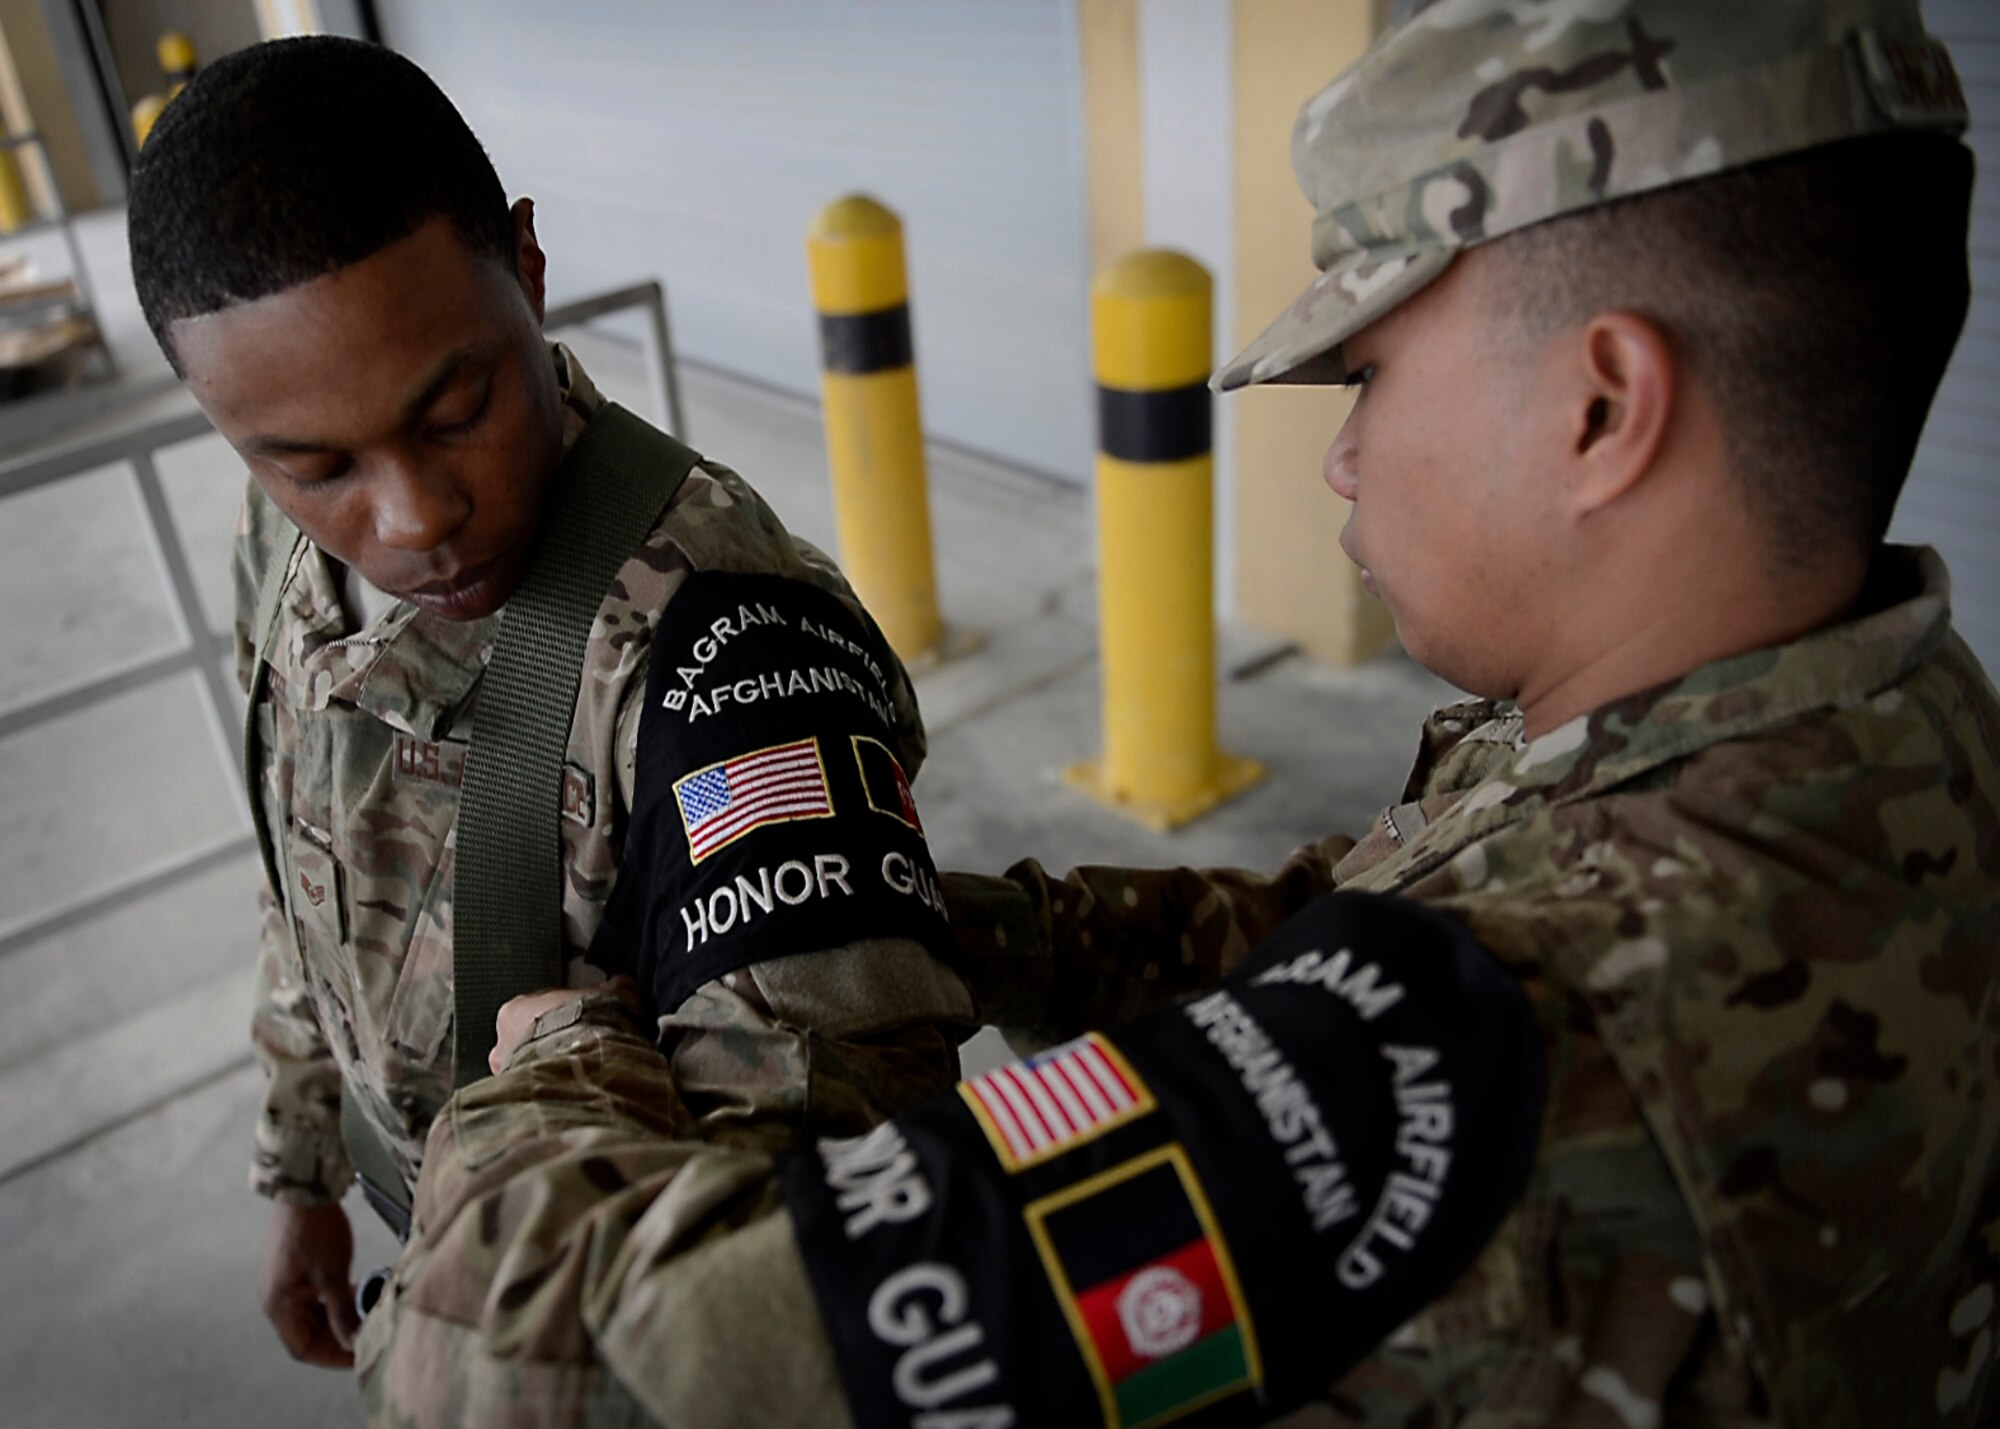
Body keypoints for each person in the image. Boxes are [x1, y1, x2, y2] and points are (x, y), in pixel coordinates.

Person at [362, 1, 2000, 1425]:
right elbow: (1364, 909)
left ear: (1600, 406)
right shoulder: (1888, 724)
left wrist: (559, 1065)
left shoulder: (1523, 1041)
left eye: (1367, 377)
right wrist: (997, 933)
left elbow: (601, 1379)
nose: (1342, 456)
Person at [124, 35, 974, 1379]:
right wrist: (304, 1164)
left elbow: (829, 1243)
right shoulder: (281, 544)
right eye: (316, 462)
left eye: (459, 407)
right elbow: (304, 878)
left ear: (526, 266)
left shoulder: (729, 647)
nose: (411, 517)